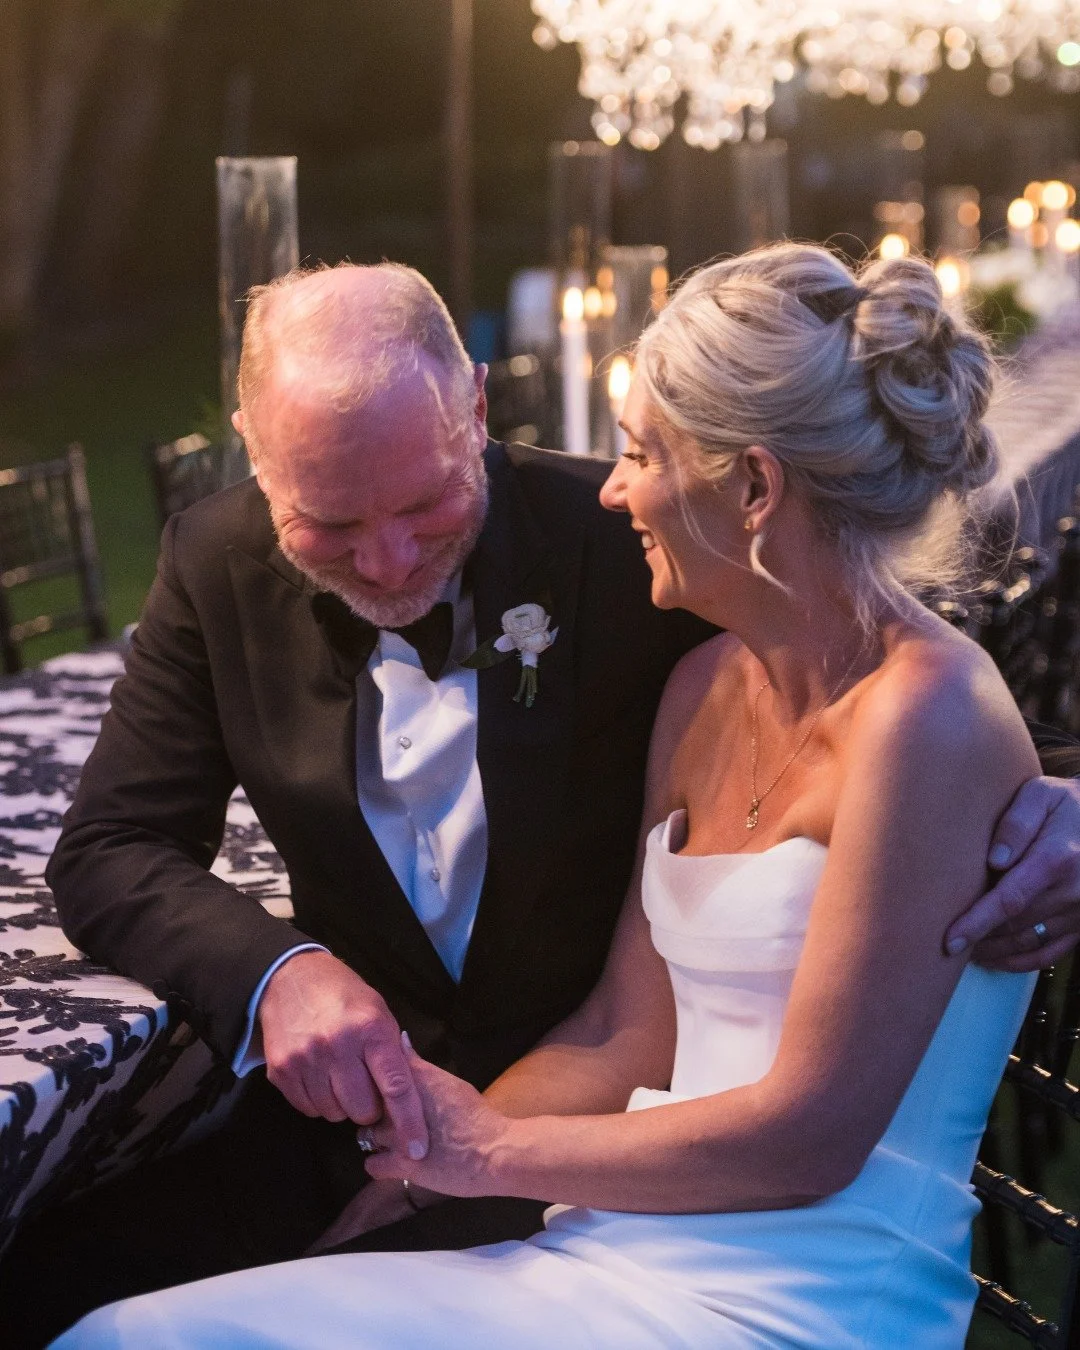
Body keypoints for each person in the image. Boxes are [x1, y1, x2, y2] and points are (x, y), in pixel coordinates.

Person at [49, 245, 1080, 1348]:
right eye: (332, 525)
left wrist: (1070, 790)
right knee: (87, 1308)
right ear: (254, 455)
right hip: (553, 1188)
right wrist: (408, 1152)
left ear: (475, 410)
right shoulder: (706, 684)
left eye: (638, 452)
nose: (386, 561)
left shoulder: (653, 572)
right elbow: (626, 1031)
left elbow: (920, 720)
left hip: (744, 1256)